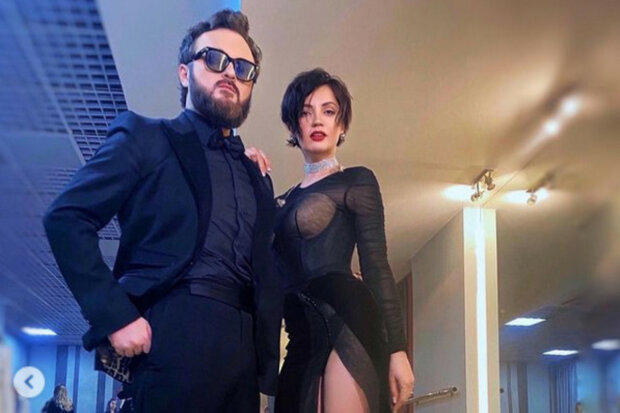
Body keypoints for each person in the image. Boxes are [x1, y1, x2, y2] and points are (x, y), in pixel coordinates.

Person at [43, 9, 281, 413]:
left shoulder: (254, 172)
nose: (230, 72)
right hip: (173, 332)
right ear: (184, 73)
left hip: (244, 352)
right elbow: (66, 218)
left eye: (243, 68)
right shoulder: (146, 137)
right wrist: (115, 316)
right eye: (215, 59)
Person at [272, 68, 415, 413]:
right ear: (293, 126)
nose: (317, 120)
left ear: (342, 125)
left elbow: (376, 265)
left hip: (348, 321)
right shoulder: (280, 201)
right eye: (305, 112)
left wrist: (398, 349)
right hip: (299, 334)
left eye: (328, 111)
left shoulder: (356, 180)